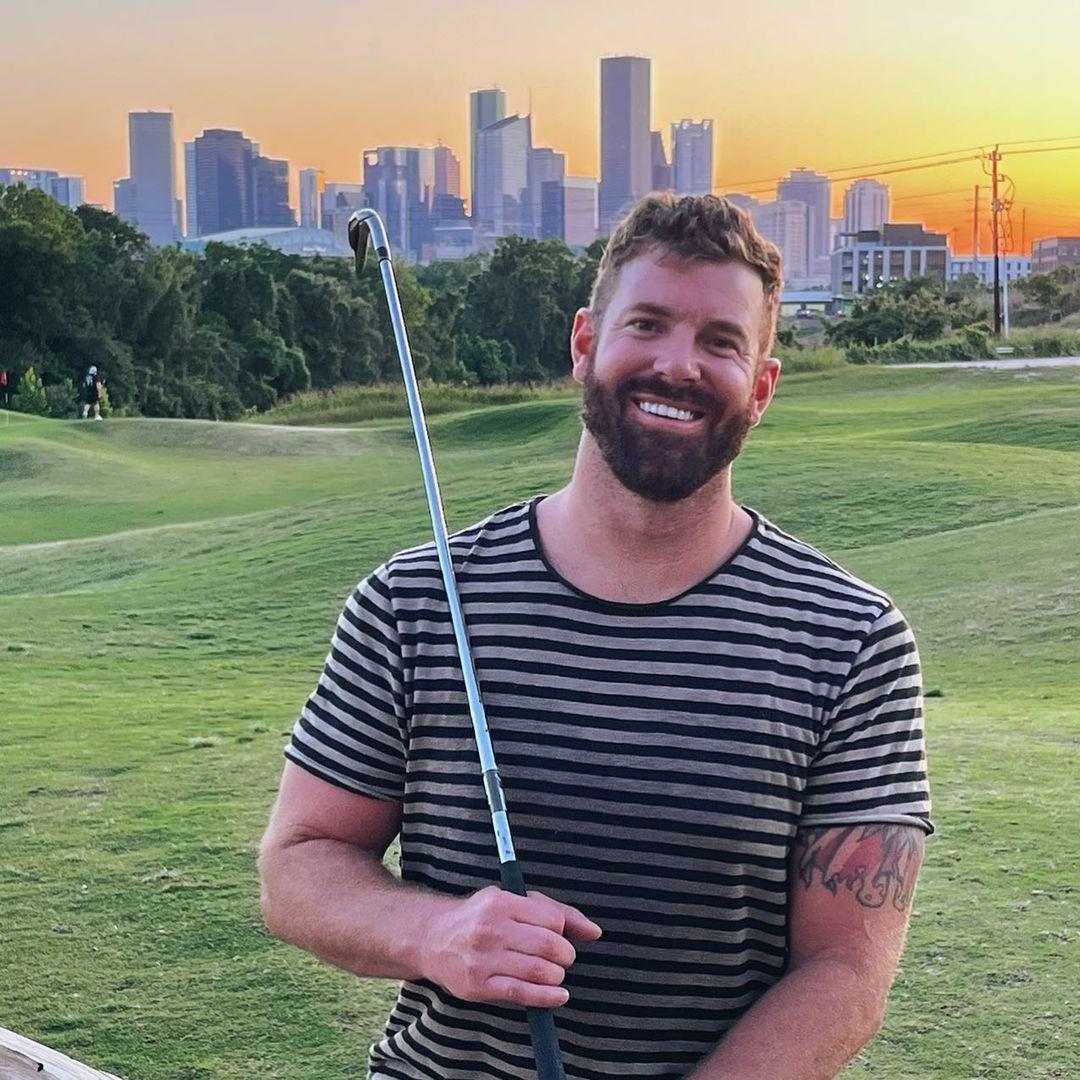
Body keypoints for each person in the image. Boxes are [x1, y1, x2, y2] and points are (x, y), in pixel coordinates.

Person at [259, 194, 932, 1080]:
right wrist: (432, 931)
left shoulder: (853, 641)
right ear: (585, 342)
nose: (677, 365)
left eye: (721, 342)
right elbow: (299, 866)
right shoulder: (417, 599)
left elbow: (844, 968)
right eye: (646, 324)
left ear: (761, 387)